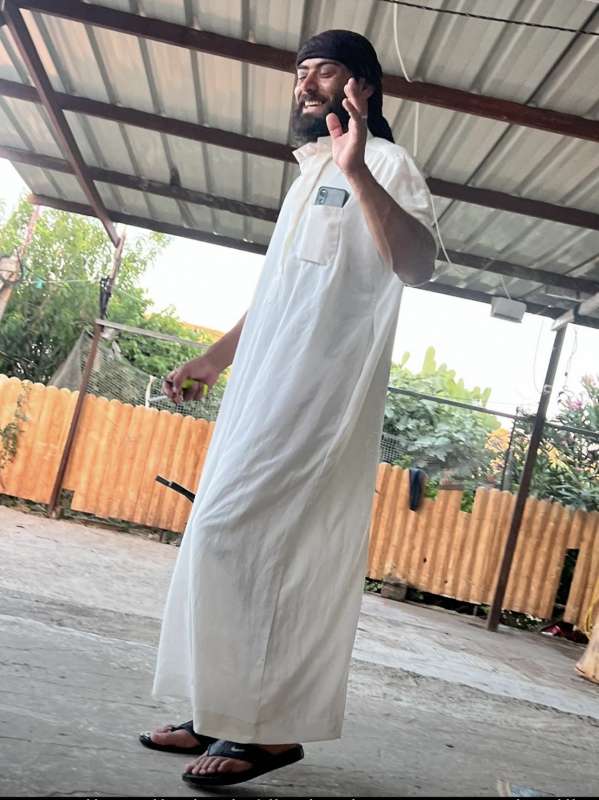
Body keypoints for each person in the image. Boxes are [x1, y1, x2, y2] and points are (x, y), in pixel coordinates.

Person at [140, 29, 437, 787]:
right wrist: (214, 358)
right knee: (220, 541)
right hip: (261, 395)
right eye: (301, 72)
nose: (306, 84)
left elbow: (416, 263)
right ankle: (218, 709)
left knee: (257, 543)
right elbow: (281, 293)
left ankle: (268, 732)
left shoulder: (385, 165)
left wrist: (356, 169)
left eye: (325, 71)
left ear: (361, 87)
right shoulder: (307, 178)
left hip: (319, 402)